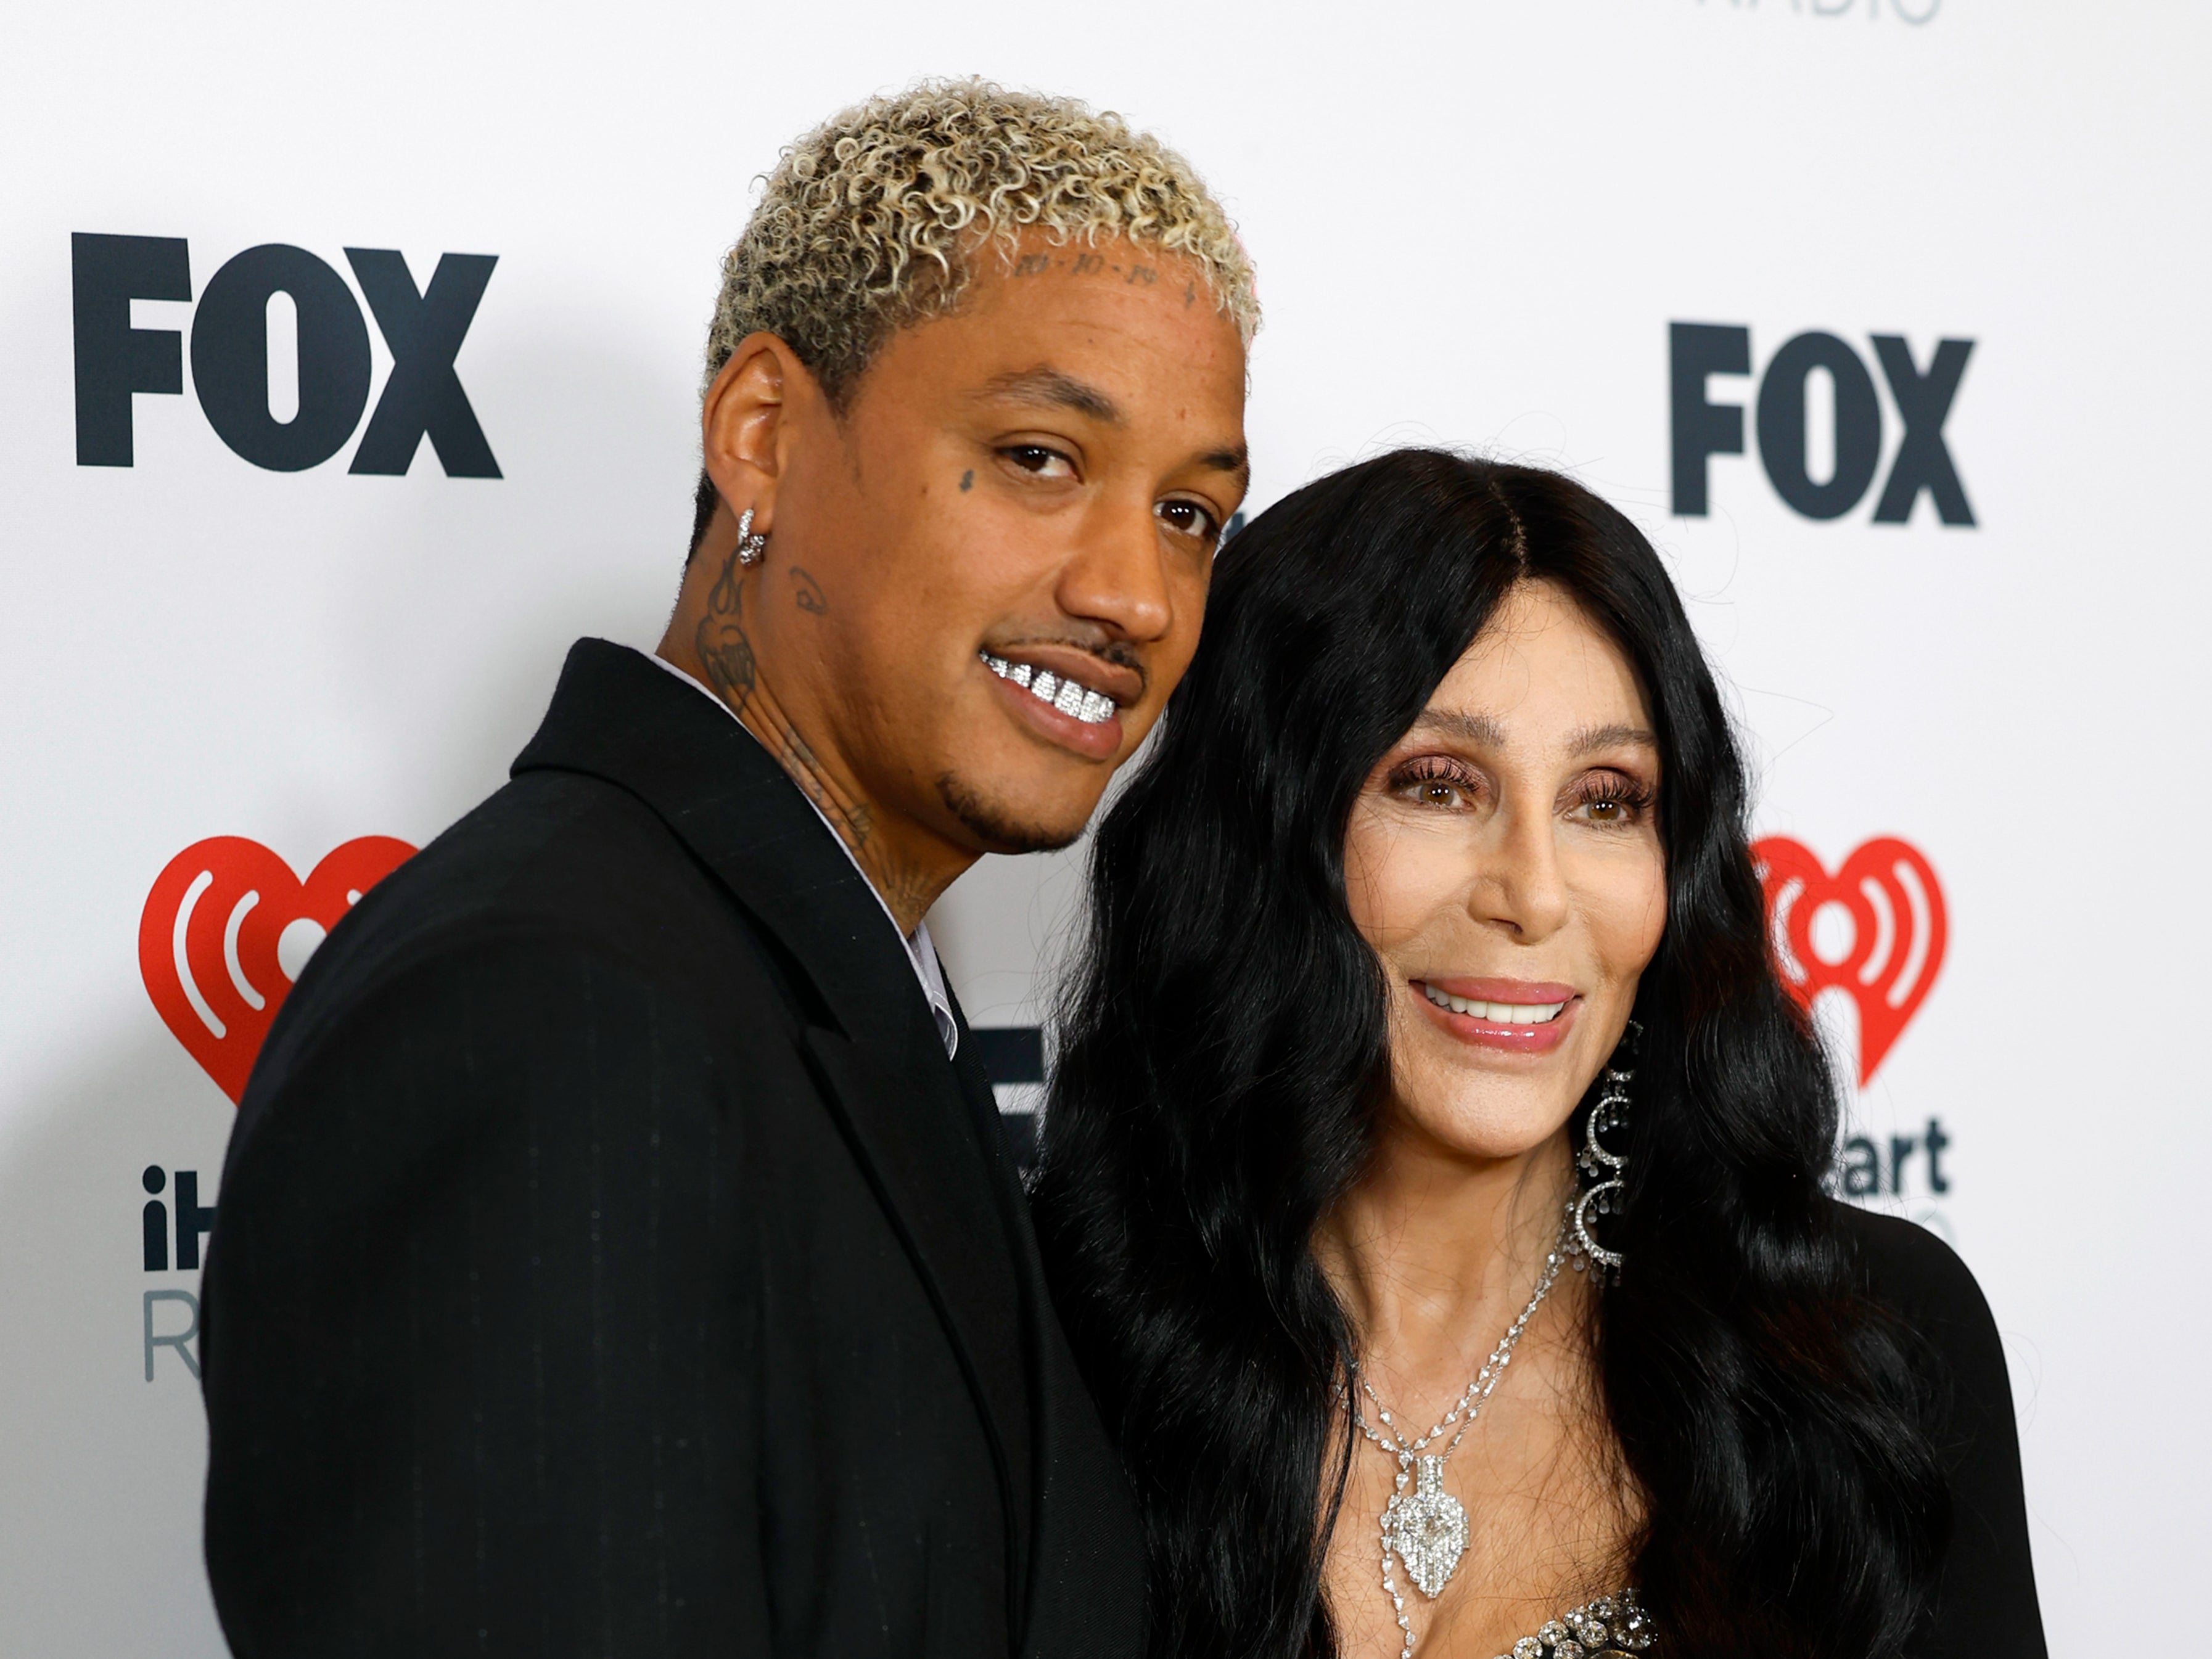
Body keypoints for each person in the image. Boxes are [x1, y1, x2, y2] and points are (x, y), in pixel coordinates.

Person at [199, 81, 1254, 1659]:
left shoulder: (820, 986)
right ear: (762, 435)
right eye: (1038, 455)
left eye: (1190, 512)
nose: (1138, 595)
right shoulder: (547, 1014)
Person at [1031, 451, 2042, 1659]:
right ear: (1264, 828)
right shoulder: (1051, 1336)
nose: (1534, 893)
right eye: (1440, 783)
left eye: (1606, 799)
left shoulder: (1857, 1340)